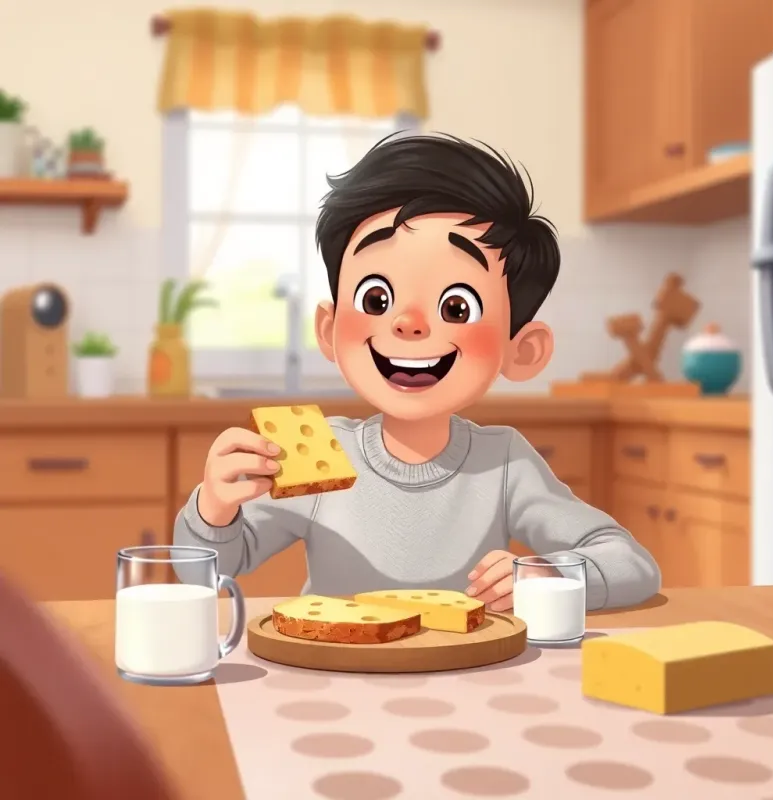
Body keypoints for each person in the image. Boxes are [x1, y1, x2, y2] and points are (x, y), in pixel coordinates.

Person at [174, 134, 660, 612]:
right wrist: (214, 506)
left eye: (456, 306)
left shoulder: (504, 463)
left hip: (467, 675)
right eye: (376, 300)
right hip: (337, 672)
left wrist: (549, 576)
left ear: (522, 350)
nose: (408, 324)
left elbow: (631, 565)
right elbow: (207, 570)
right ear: (330, 328)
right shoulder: (323, 454)